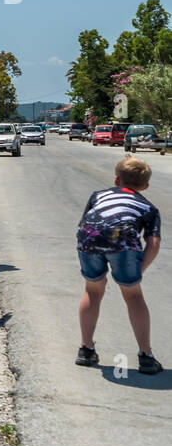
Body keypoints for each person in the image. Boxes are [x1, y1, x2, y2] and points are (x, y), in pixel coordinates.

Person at [75, 156, 163, 374]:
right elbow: (153, 243)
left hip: (88, 237)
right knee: (133, 295)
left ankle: (86, 349)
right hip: (123, 242)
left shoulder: (98, 195)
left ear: (116, 180)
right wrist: (137, 271)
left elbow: (86, 221)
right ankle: (146, 356)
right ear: (146, 186)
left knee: (93, 290)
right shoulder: (148, 207)